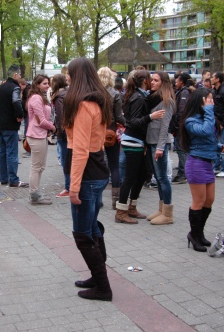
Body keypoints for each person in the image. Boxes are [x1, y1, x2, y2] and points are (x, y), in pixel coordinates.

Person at [63, 57, 112, 301]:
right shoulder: (98, 101)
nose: (67, 78)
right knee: (91, 228)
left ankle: (103, 287)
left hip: (88, 176)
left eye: (70, 74)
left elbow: (80, 150)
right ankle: (98, 277)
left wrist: (73, 187)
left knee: (82, 234)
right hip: (97, 171)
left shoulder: (84, 105)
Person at [178, 89, 224, 252]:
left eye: (212, 100)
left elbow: (209, 138)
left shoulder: (208, 117)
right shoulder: (190, 120)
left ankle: (198, 233)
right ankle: (194, 235)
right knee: (199, 201)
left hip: (207, 163)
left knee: (209, 200)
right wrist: (209, 111)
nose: (212, 103)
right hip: (196, 163)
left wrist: (219, 147)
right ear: (201, 101)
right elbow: (205, 131)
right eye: (209, 100)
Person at [114, 70, 164, 224]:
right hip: (133, 141)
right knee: (130, 177)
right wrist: (151, 117)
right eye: (151, 79)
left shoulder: (140, 95)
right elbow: (133, 122)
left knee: (142, 174)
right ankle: (121, 212)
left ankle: (131, 207)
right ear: (145, 80)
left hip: (136, 141)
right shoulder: (138, 98)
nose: (152, 81)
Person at [0, 65, 28, 187]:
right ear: (15, 75)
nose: (20, 76)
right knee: (11, 152)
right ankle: (13, 179)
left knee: (2, 151)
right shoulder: (15, 88)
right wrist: (19, 114)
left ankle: (3, 178)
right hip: (10, 124)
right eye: (19, 74)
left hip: (0, 124)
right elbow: (15, 101)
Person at [147, 71, 176, 225]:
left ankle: (168, 214)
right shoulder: (153, 98)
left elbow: (165, 126)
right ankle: (161, 209)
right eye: (152, 80)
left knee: (163, 177)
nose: (152, 82)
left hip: (159, 143)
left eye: (156, 80)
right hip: (151, 141)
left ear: (163, 83)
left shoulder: (167, 101)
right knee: (158, 178)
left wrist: (160, 147)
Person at [97, 67, 126, 209]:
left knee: (99, 165)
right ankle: (116, 201)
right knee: (114, 166)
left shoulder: (94, 93)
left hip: (96, 132)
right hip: (111, 132)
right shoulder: (115, 94)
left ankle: (98, 199)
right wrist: (127, 124)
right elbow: (119, 116)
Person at [25, 74, 56, 205]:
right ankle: (34, 195)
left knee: (40, 166)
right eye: (44, 83)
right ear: (37, 85)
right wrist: (53, 127)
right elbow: (41, 120)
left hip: (40, 134)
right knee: (36, 167)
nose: (47, 85)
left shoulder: (40, 97)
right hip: (36, 134)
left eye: (48, 83)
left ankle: (35, 193)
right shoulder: (36, 98)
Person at [50, 74, 69, 198]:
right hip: (69, 131)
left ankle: (69, 187)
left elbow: (61, 116)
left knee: (65, 160)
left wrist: (60, 132)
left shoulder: (59, 97)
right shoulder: (67, 93)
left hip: (64, 133)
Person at [172, 72, 191, 184]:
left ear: (182, 81)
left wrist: (177, 126)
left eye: (177, 80)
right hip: (181, 125)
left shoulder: (184, 93)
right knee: (181, 149)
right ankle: (182, 171)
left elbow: (181, 111)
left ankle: (183, 173)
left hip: (181, 126)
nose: (175, 82)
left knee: (181, 149)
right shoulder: (181, 92)